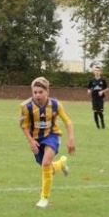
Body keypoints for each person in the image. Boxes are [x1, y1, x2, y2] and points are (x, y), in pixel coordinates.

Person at [20, 76, 75, 208]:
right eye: (35, 92)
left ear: (47, 92)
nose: (37, 95)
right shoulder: (26, 106)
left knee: (45, 164)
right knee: (47, 167)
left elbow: (67, 121)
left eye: (41, 92)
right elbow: (24, 126)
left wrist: (71, 139)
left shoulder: (55, 104)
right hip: (36, 139)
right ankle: (61, 164)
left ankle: (44, 198)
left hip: (52, 136)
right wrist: (31, 141)